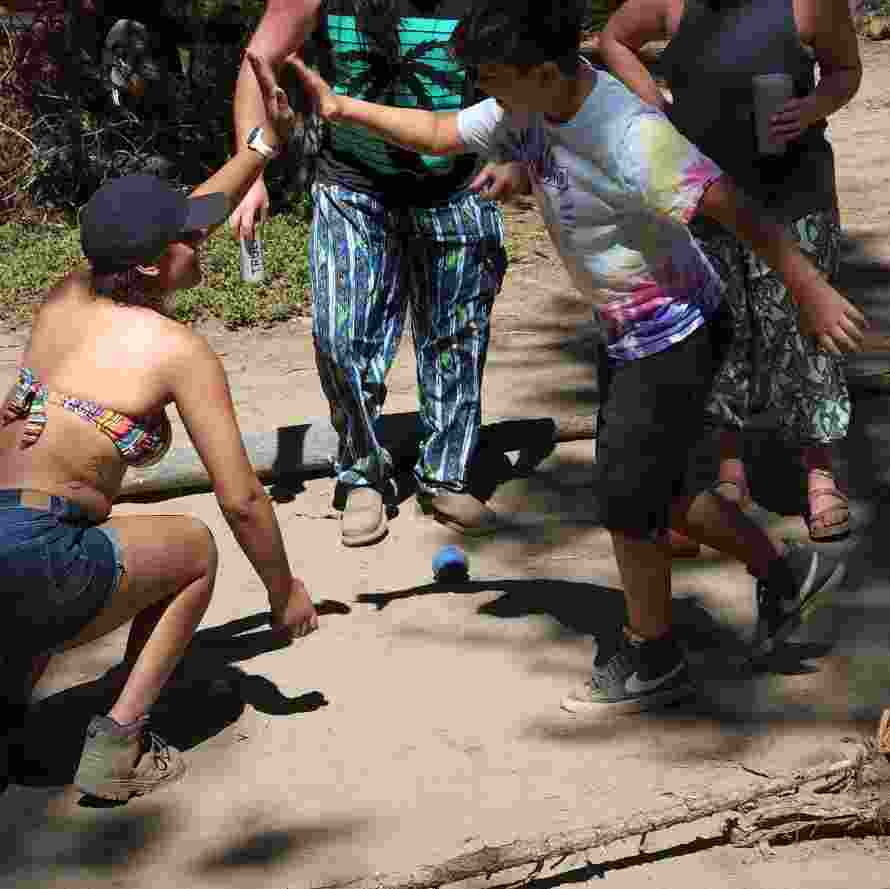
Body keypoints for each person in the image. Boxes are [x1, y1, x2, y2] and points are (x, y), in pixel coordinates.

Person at [287, 0, 867, 712]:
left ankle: (653, 656)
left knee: (625, 494)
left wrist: (808, 289)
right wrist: (341, 106)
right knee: (670, 494)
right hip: (630, 331)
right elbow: (441, 133)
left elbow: (732, 204)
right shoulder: (529, 108)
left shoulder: (624, 130)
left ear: (536, 69)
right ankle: (785, 576)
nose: (484, 91)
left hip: (674, 332)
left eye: (493, 78)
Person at [0, 53, 318, 801]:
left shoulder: (68, 293)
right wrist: (282, 592)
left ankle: (8, 728)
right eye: (188, 237)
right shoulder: (180, 352)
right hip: (37, 558)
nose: (202, 235)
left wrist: (261, 147)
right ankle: (120, 742)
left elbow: (200, 206)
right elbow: (240, 498)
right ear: (147, 266)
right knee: (195, 549)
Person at [231, 0, 525, 547]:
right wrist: (252, 172)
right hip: (352, 185)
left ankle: (445, 474)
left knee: (456, 338)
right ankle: (362, 473)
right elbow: (259, 60)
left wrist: (512, 153)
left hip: (457, 186)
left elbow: (523, 70)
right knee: (341, 339)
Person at [600, 0, 863, 553]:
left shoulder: (808, 3)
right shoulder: (671, 2)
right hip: (704, 197)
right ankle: (729, 470)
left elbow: (846, 71)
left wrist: (811, 108)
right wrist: (656, 108)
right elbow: (614, 40)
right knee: (723, 332)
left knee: (807, 332)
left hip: (795, 196)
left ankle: (819, 472)